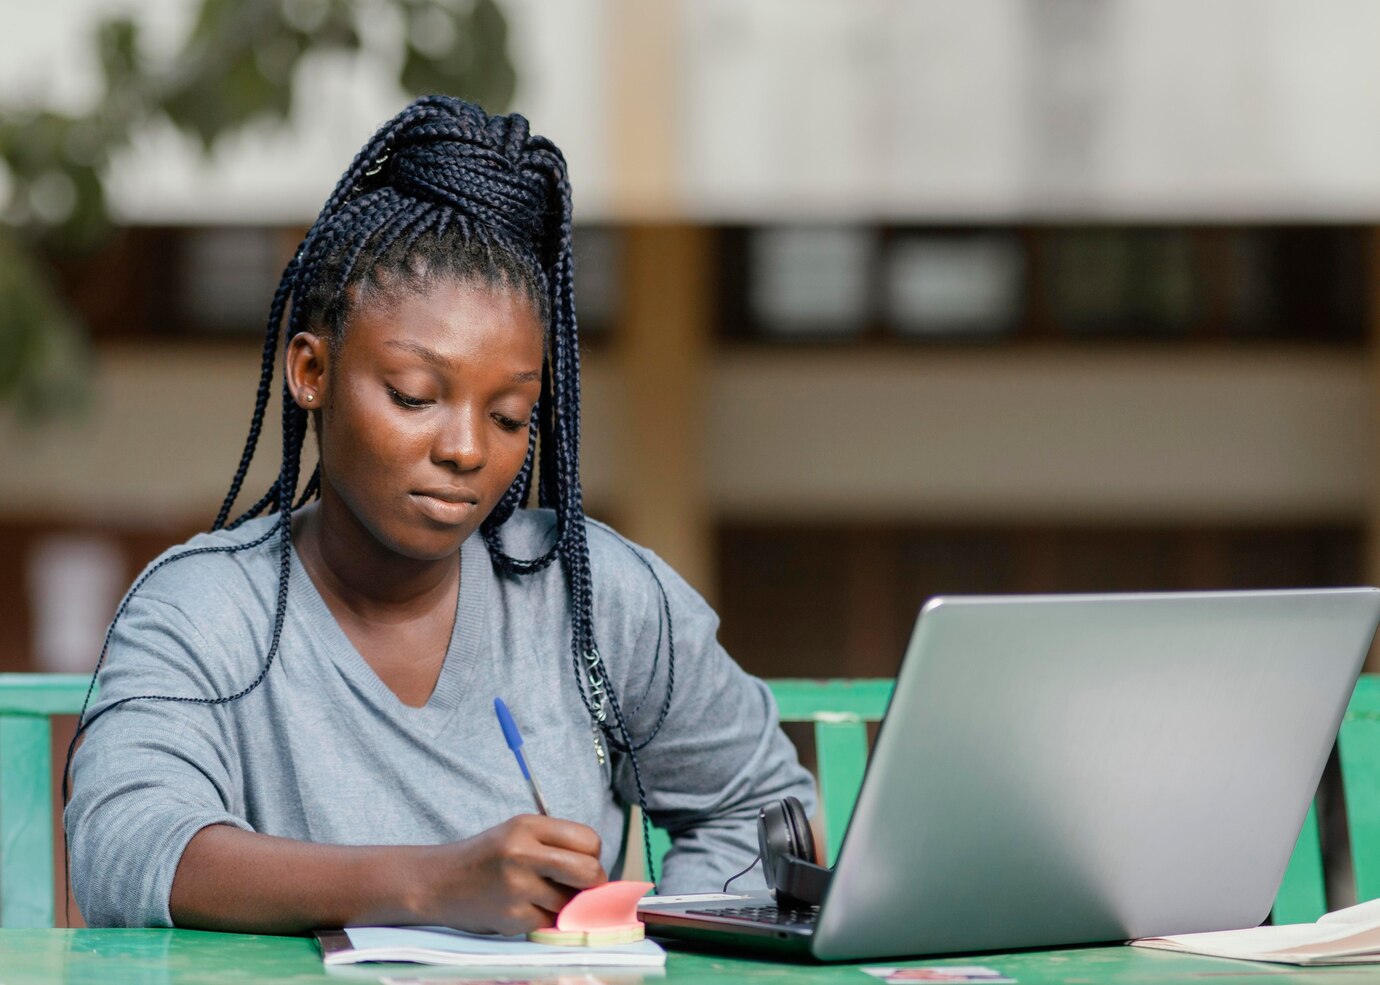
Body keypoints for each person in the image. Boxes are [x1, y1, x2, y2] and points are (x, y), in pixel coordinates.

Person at [64, 96, 815, 934]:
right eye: (415, 396)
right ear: (311, 370)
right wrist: (429, 883)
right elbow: (125, 847)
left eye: (508, 416)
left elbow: (761, 808)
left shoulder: (594, 595)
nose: (466, 449)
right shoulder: (205, 608)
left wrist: (652, 933)